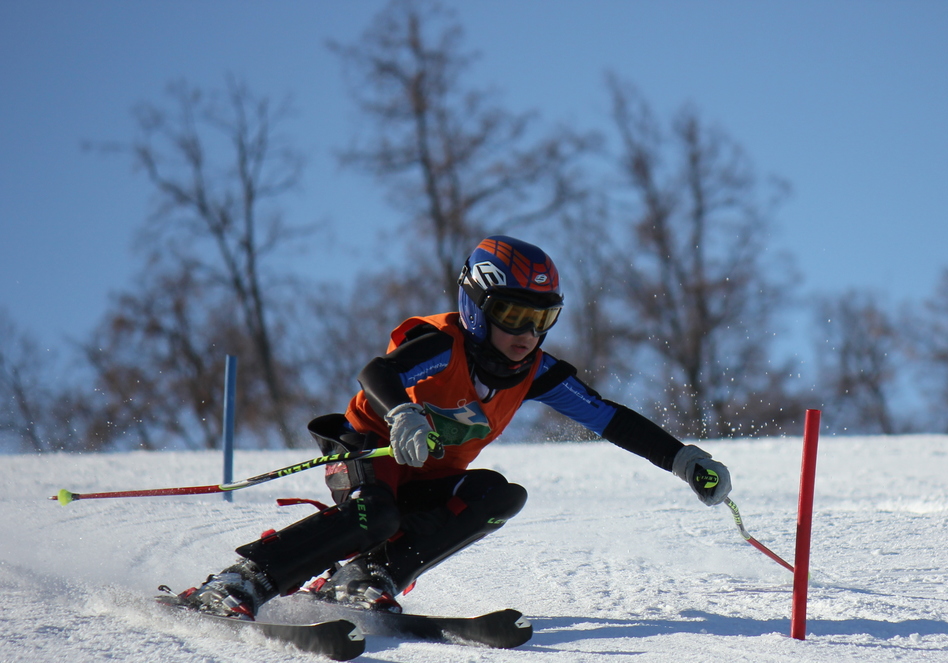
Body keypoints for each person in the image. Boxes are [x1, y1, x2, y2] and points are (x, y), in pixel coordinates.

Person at [175, 235, 731, 619]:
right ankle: (242, 580)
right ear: (476, 307)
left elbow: (609, 417)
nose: (527, 334)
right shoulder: (445, 346)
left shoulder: (534, 372)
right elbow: (378, 372)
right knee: (376, 512)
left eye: (541, 319)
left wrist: (683, 460)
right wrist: (401, 412)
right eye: (514, 315)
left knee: (498, 494)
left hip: (426, 476)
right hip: (368, 453)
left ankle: (368, 577)